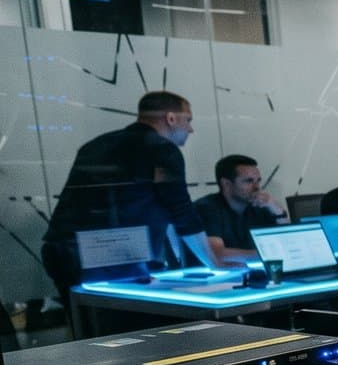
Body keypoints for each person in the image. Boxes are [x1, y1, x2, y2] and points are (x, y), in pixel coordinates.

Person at [41, 91, 222, 297]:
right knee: (139, 324)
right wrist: (214, 264)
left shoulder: (95, 146)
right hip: (116, 260)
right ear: (171, 118)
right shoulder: (162, 150)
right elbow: (180, 209)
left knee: (86, 324)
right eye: (188, 120)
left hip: (65, 254)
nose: (190, 129)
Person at [194, 154, 286, 265]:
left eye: (258, 181)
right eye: (249, 181)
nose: (257, 187)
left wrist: (276, 209)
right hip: (216, 279)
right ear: (226, 184)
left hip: (249, 272)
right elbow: (217, 254)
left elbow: (286, 242)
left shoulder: (258, 207)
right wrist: (266, 255)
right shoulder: (207, 208)